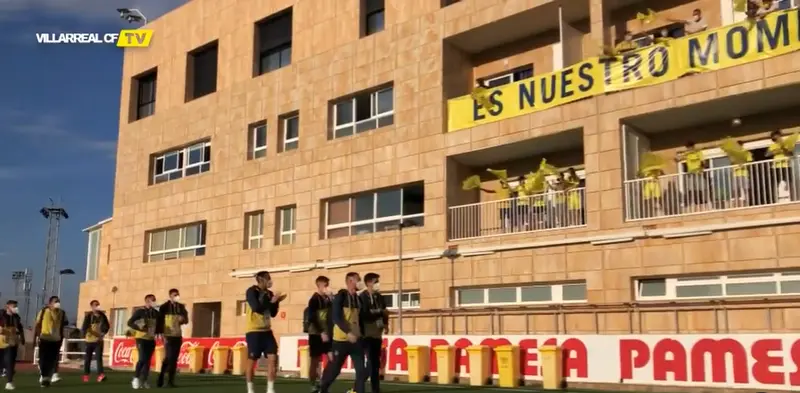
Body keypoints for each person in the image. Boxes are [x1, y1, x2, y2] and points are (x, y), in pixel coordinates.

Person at [316, 272, 367, 393]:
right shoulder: (341, 296)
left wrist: (362, 335)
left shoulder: (358, 299)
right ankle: (322, 388)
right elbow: (336, 317)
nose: (360, 283)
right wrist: (348, 332)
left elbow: (360, 318)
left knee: (361, 371)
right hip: (341, 340)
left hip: (356, 340)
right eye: (357, 280)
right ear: (350, 281)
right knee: (335, 369)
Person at [244, 271, 285, 393]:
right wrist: (271, 302)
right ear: (261, 280)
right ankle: (251, 389)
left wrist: (276, 302)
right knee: (252, 360)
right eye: (268, 278)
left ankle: (270, 389)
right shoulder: (252, 291)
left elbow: (272, 313)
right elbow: (256, 307)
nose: (270, 281)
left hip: (267, 330)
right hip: (254, 330)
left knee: (273, 357)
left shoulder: (269, 293)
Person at [359, 273, 388, 393]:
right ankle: (358, 385)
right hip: (366, 333)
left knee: (375, 361)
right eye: (376, 281)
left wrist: (385, 324)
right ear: (369, 283)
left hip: (377, 332)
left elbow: (384, 312)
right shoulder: (362, 297)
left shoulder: (380, 297)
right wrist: (377, 312)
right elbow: (364, 314)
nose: (378, 284)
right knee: (371, 361)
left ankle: (375, 388)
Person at [156, 288, 189, 388]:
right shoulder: (164, 307)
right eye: (175, 295)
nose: (176, 296)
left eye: (178, 294)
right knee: (169, 357)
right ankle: (162, 376)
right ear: (170, 296)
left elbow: (186, 319)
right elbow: (159, 320)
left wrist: (182, 319)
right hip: (167, 335)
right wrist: (159, 332)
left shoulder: (181, 307)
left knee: (173, 359)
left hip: (177, 335)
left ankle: (170, 380)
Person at [127, 294, 160, 390]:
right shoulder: (140, 312)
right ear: (147, 301)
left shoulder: (156, 313)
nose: (154, 302)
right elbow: (130, 322)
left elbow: (158, 326)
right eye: (152, 300)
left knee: (147, 361)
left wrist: (159, 332)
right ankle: (136, 378)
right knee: (142, 359)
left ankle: (144, 380)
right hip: (141, 338)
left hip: (151, 339)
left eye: (154, 300)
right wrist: (139, 327)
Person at [306, 276, 333, 392]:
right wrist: (321, 331)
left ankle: (324, 382)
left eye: (328, 285)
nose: (327, 287)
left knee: (333, 359)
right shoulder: (314, 299)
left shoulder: (328, 299)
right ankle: (313, 384)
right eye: (325, 285)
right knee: (315, 360)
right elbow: (311, 317)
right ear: (320, 286)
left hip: (327, 333)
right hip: (316, 333)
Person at [35, 296, 68, 387]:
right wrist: (38, 336)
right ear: (50, 303)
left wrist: (61, 337)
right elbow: (37, 324)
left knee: (53, 359)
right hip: (45, 338)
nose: (57, 303)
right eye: (55, 301)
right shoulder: (43, 311)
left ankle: (48, 377)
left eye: (58, 301)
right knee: (44, 359)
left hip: (56, 339)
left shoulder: (62, 313)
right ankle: (45, 377)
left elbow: (64, 324)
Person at [80, 300, 110, 383]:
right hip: (89, 340)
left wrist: (103, 334)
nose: (97, 306)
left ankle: (101, 375)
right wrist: (96, 334)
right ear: (92, 306)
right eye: (95, 305)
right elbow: (85, 327)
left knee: (99, 358)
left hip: (99, 341)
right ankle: (86, 375)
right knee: (88, 358)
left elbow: (107, 326)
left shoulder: (102, 315)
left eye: (98, 304)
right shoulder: (89, 316)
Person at [1, 300, 25, 391]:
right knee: (4, 362)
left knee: (11, 361)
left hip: (12, 342)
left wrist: (22, 338)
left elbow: (20, 327)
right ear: (7, 306)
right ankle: (5, 370)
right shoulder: (1, 315)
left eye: (16, 306)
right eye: (14, 306)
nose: (16, 308)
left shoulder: (16, 317)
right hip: (1, 341)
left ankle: (9, 381)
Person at [767, 130, 795, 203]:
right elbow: (767, 154)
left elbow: (791, 154)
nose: (777, 138)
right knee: (775, 184)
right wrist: (775, 151)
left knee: (789, 183)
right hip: (776, 167)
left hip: (785, 166)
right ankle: (776, 201)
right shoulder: (772, 146)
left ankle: (793, 199)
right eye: (774, 136)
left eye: (778, 136)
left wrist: (783, 148)